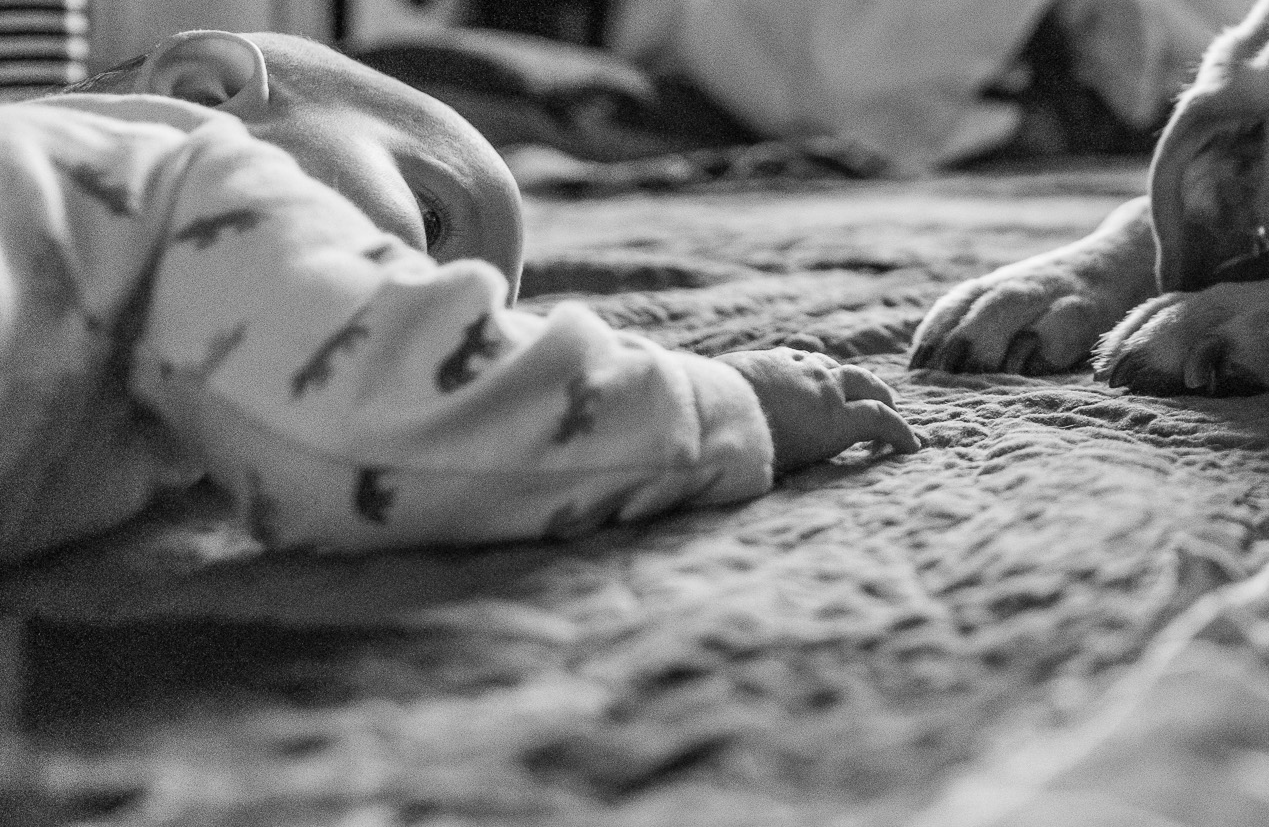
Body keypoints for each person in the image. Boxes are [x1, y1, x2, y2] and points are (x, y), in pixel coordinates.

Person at [0, 29, 918, 564]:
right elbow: (373, 417)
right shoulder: (177, 172)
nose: (421, 303)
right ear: (207, 93)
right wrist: (722, 404)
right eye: (433, 225)